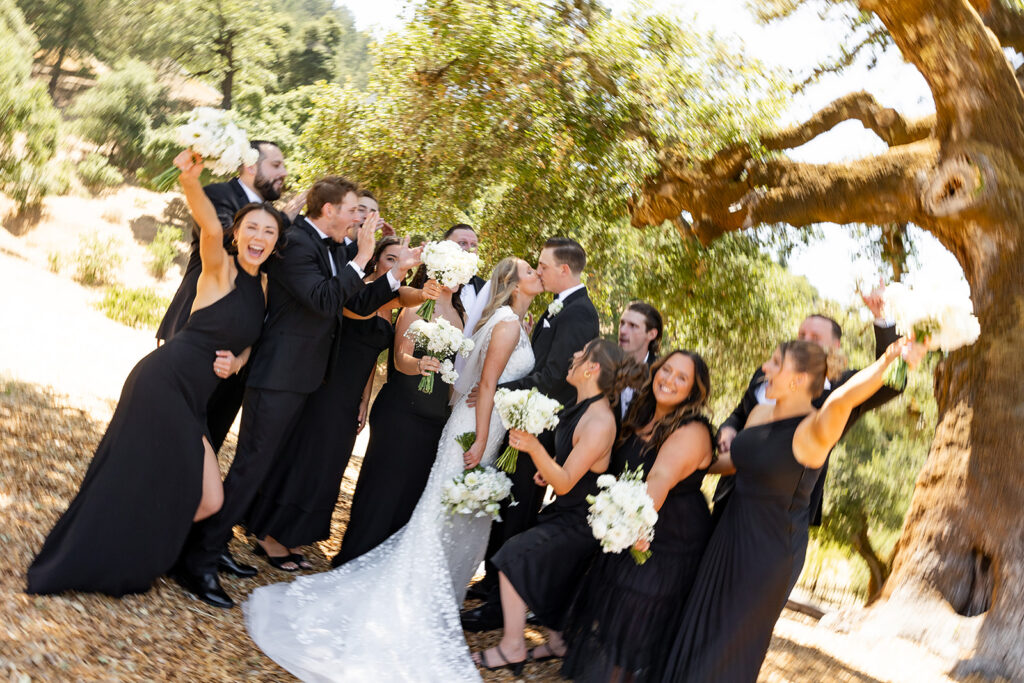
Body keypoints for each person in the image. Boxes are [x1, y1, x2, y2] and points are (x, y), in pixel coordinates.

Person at [244, 257, 544, 681]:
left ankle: (429, 597)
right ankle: (411, 597)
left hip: (468, 422)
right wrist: (479, 436)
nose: (538, 274)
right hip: (468, 426)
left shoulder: (493, 317)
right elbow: (484, 382)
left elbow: (472, 377)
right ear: (514, 284)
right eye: (532, 271)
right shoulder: (500, 320)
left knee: (439, 512)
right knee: (438, 513)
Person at [26, 150, 284, 597]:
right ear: (237, 234)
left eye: (269, 231)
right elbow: (206, 223)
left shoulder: (263, 286)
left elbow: (247, 342)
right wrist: (191, 180)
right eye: (251, 228)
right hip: (162, 381)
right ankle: (96, 557)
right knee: (131, 475)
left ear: (277, 242)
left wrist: (237, 362)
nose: (258, 237)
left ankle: (134, 544)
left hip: (194, 397)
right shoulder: (219, 267)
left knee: (209, 499)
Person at [172, 176, 428, 609]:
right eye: (352, 210)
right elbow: (323, 300)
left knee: (258, 466)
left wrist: (395, 271)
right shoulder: (294, 244)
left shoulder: (335, 249)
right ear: (328, 210)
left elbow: (359, 305)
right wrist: (364, 256)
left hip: (303, 379)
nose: (358, 218)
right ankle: (196, 559)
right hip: (276, 375)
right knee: (251, 466)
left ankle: (211, 547)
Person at [660, 338, 924, 682]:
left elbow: (844, 399)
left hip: (768, 553)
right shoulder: (760, 412)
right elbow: (733, 462)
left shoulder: (815, 429)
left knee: (727, 642)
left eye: (774, 363)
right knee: (700, 625)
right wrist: (681, 463)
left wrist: (887, 361)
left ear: (798, 379)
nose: (765, 369)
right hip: (729, 534)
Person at [243, 236, 424, 569]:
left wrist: (364, 400)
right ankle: (268, 535)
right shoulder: (359, 291)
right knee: (306, 456)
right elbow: (361, 311)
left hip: (350, 395)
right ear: (375, 260)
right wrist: (401, 281)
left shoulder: (393, 302)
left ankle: (292, 534)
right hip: (327, 387)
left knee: (328, 464)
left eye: (401, 260)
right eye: (390, 258)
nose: (395, 264)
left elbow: (375, 354)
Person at [471, 340, 645, 674]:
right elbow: (569, 469)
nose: (573, 357)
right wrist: (546, 469)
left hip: (580, 522)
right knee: (541, 573)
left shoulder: (600, 421)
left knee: (513, 558)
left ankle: (513, 647)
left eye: (580, 355)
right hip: (566, 510)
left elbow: (564, 482)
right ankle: (557, 643)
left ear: (591, 369)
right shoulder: (581, 405)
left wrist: (535, 447)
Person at [463, 236, 600, 630]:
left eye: (542, 265)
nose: (538, 271)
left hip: (538, 427)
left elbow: (555, 377)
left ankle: (496, 609)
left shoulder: (578, 313)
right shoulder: (561, 307)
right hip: (523, 419)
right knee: (508, 504)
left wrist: (497, 390)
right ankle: (491, 584)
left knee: (519, 509)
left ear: (563, 270)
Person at [561, 350, 714, 682]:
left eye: (682, 378)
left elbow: (659, 477)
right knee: (612, 607)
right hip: (633, 522)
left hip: (670, 537)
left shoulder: (693, 429)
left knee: (638, 615)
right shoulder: (640, 413)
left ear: (693, 391)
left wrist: (636, 526)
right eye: (667, 370)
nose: (670, 380)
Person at [712, 292, 901, 527]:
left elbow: (892, 383)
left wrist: (882, 319)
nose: (805, 339)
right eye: (802, 334)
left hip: (783, 516)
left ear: (835, 346)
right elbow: (739, 414)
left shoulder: (843, 386)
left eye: (815, 336)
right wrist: (728, 430)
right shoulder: (765, 375)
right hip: (730, 494)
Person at [156, 141, 295, 456]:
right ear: (249, 166)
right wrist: (281, 223)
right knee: (170, 440)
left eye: (268, 231)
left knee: (208, 442)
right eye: (276, 165)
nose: (283, 172)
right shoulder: (219, 195)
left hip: (237, 356)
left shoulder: (272, 220)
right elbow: (223, 242)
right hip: (195, 334)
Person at [332, 264, 466, 565]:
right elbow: (400, 355)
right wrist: (419, 365)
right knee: (381, 493)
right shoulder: (416, 304)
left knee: (409, 498)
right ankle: (355, 560)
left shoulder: (462, 315)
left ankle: (385, 566)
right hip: (401, 413)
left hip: (435, 421)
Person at [617, 301, 663, 417]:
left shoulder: (661, 374)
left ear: (651, 334)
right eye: (622, 323)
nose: (623, 331)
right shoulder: (605, 366)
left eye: (633, 326)